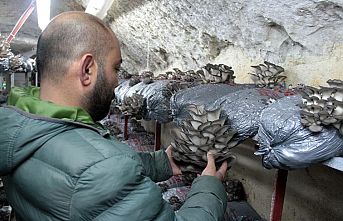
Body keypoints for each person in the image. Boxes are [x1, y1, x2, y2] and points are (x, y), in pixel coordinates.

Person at [0, 11, 228, 221]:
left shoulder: (22, 124)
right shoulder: (103, 167)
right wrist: (209, 187)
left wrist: (159, 164)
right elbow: (95, 170)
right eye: (115, 68)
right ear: (87, 69)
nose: (117, 81)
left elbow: (69, 165)